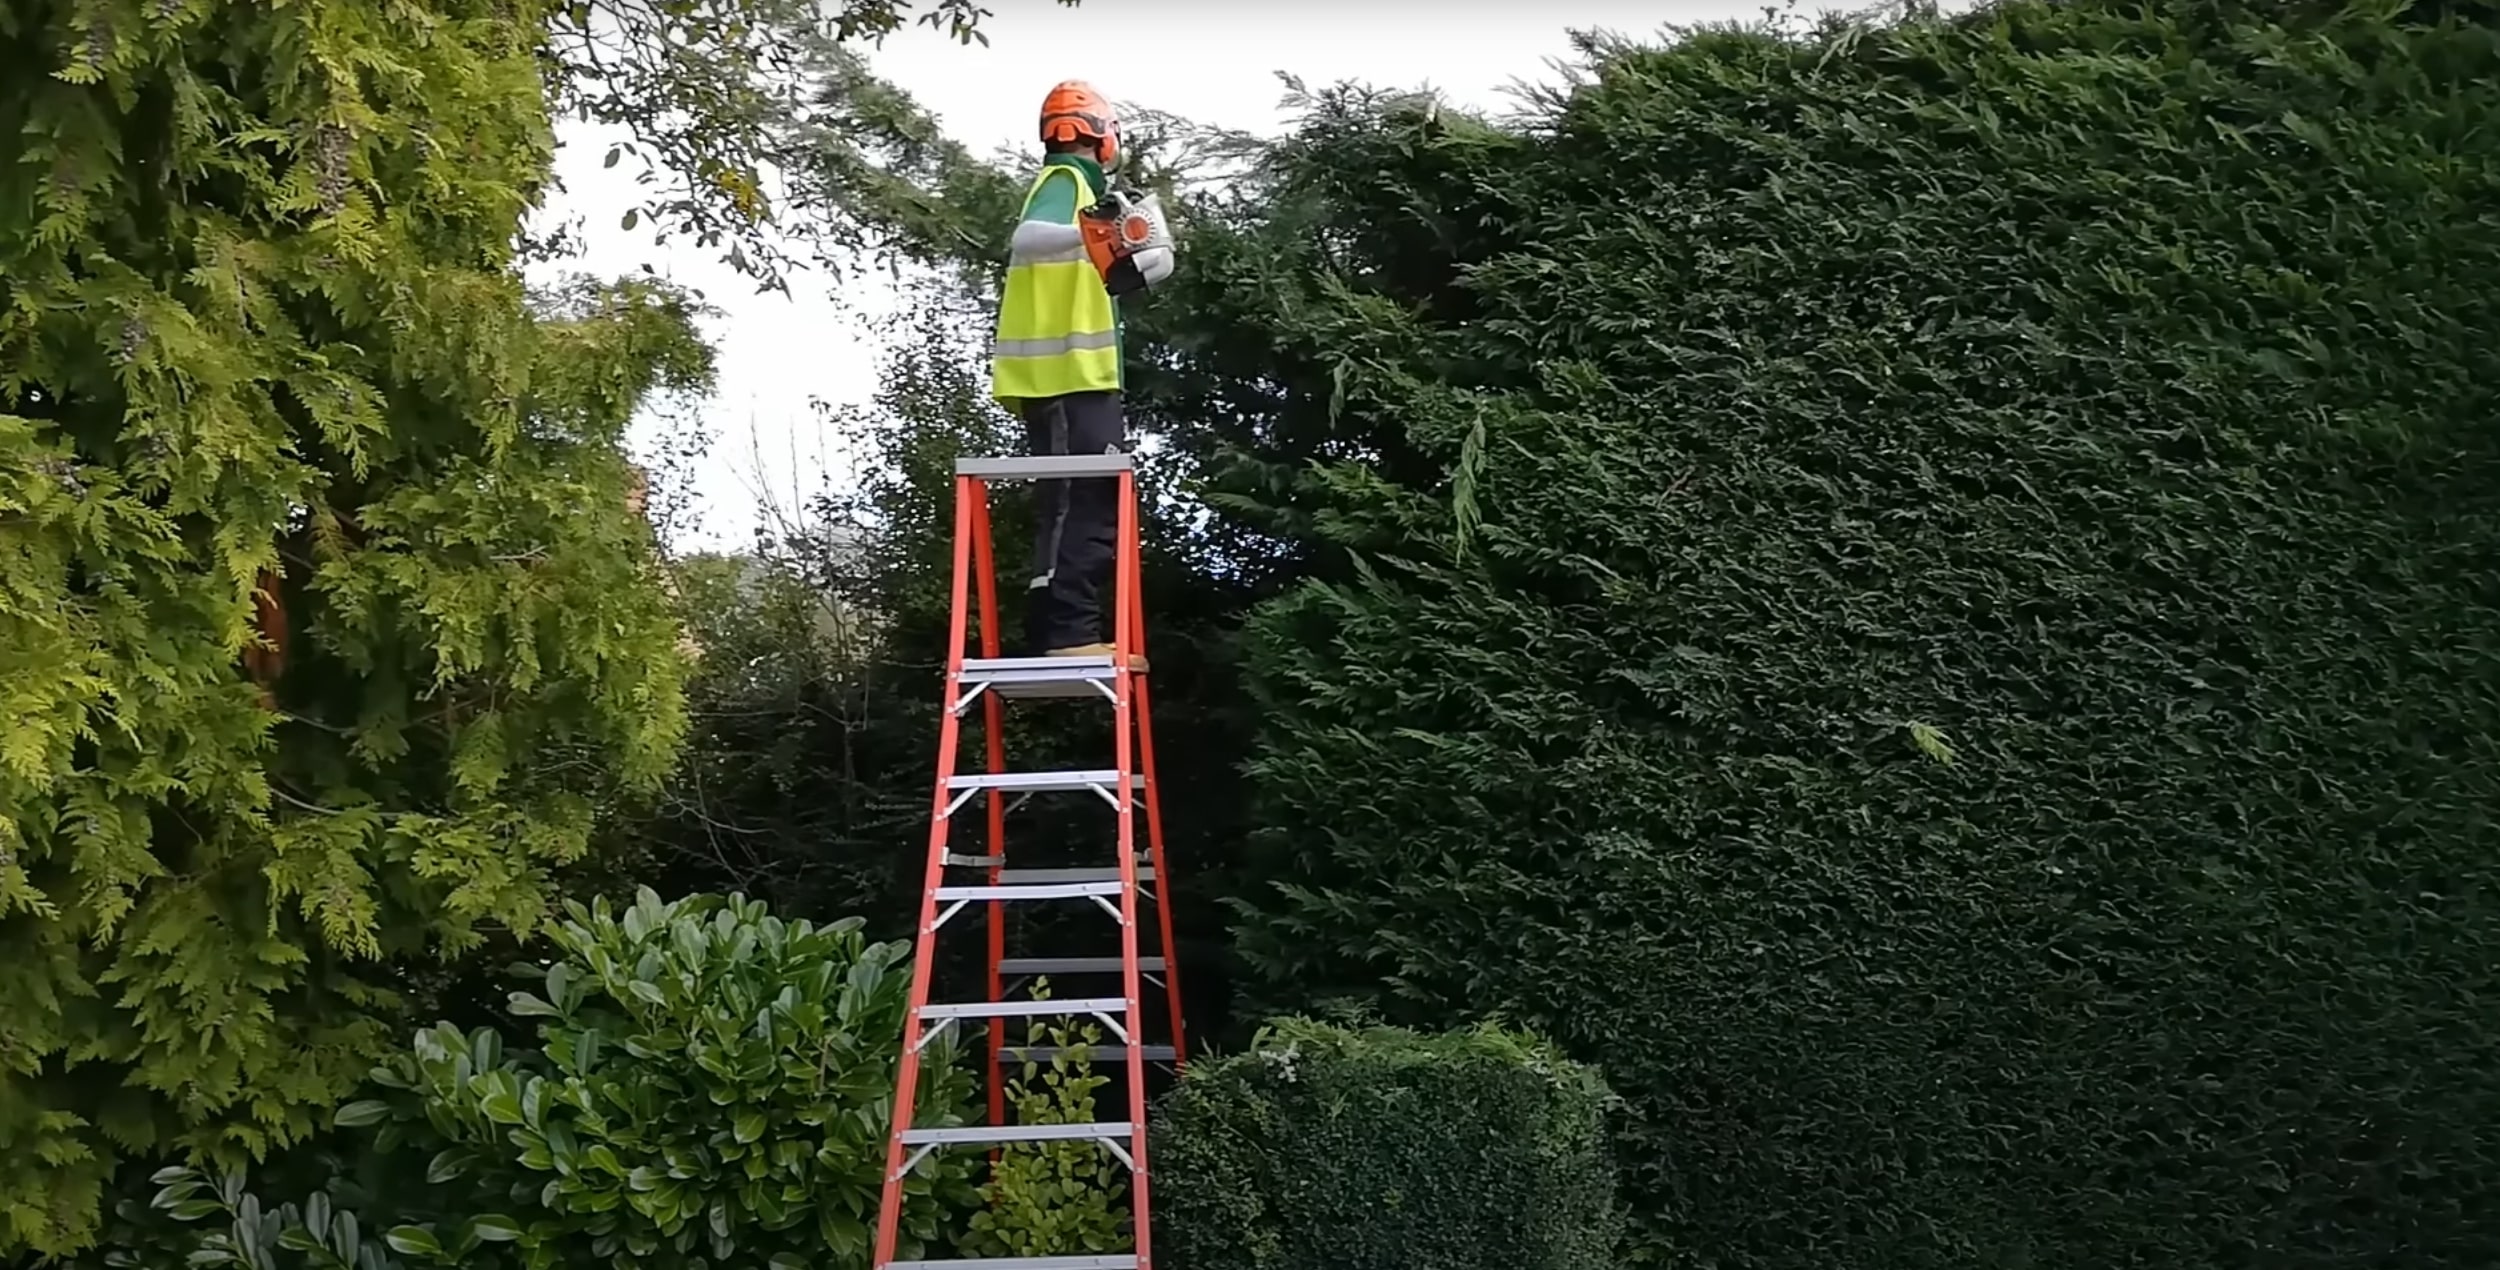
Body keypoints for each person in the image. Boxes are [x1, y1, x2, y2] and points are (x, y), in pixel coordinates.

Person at [992, 79, 1175, 661]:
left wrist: (1120, 251)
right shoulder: (1066, 182)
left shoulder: (1085, 193)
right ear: (1101, 136)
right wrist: (1089, 236)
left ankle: (1063, 632)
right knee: (1084, 501)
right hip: (1068, 378)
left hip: (1070, 379)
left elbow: (1112, 273)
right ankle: (1069, 637)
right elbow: (1025, 240)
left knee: (1075, 503)